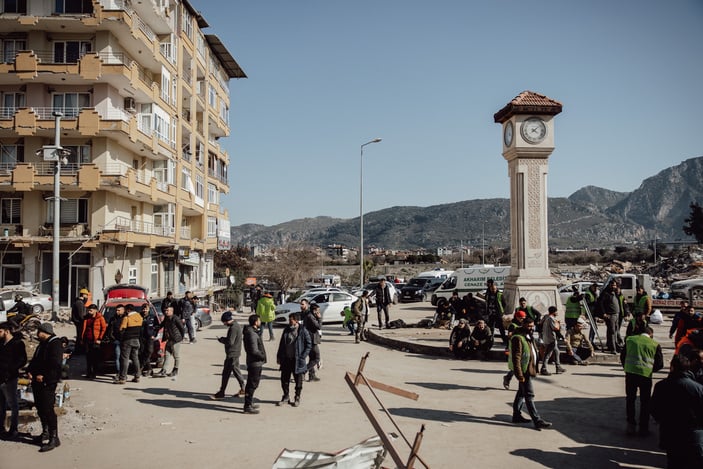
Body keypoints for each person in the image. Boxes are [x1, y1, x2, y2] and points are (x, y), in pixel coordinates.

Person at [650, 354, 703, 469]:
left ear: (672, 367)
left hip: (670, 433)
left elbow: (654, 409)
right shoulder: (698, 388)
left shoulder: (661, 386)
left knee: (674, 462)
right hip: (693, 435)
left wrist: (662, 420)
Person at [509, 317, 552, 430]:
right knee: (529, 395)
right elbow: (516, 358)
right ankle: (537, 420)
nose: (531, 328)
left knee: (521, 393)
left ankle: (516, 416)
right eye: (528, 326)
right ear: (523, 325)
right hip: (524, 371)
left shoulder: (528, 336)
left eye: (532, 326)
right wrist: (519, 375)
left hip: (530, 369)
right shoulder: (518, 338)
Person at [620, 326, 664, 436]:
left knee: (630, 399)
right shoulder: (655, 344)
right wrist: (650, 369)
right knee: (645, 402)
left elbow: (622, 356)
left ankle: (631, 425)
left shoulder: (630, 340)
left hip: (630, 374)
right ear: (651, 334)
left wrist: (627, 367)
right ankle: (643, 428)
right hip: (646, 376)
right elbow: (659, 364)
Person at [27, 322, 63, 452]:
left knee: (48, 409)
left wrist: (45, 376)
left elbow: (55, 364)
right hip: (37, 381)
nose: (37, 334)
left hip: (47, 382)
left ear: (44, 332)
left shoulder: (55, 343)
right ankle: (45, 432)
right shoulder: (43, 344)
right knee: (40, 407)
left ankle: (54, 437)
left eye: (38, 332)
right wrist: (30, 371)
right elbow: (36, 360)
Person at [276, 313, 312, 407]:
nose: (289, 321)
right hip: (286, 359)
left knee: (298, 381)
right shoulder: (286, 329)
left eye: (291, 320)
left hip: (298, 360)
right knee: (284, 380)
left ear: (296, 320)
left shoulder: (302, 330)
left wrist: (303, 356)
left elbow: (309, 344)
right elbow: (282, 344)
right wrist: (279, 356)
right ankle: (286, 396)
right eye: (289, 319)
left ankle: (297, 397)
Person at [0, 321, 27, 441]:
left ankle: (13, 429)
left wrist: (10, 370)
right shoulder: (1, 343)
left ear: (7, 331)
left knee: (13, 404)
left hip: (9, 379)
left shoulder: (17, 344)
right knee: (1, 405)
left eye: (0, 331)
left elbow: (22, 360)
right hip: (0, 378)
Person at [212, 311, 245, 400]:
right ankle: (223, 391)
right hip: (232, 353)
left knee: (233, 372)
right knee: (228, 373)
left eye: (224, 322)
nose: (224, 324)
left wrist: (222, 340)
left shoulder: (234, 328)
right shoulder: (235, 326)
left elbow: (230, 342)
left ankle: (243, 388)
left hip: (233, 354)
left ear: (227, 320)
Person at [242, 314, 266, 414]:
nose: (260, 322)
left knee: (252, 384)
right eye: (259, 320)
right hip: (254, 363)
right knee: (252, 384)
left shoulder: (252, 332)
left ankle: (249, 403)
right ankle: (247, 406)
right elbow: (254, 350)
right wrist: (262, 356)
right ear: (256, 322)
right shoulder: (251, 334)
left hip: (255, 362)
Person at [115, 304, 143, 384]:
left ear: (128, 310)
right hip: (136, 340)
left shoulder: (126, 318)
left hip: (127, 341)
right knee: (135, 358)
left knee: (125, 359)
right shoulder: (140, 317)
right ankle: (137, 376)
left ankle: (122, 378)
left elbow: (121, 330)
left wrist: (120, 337)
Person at [156, 306, 185, 379]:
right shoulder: (166, 318)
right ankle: (164, 370)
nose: (166, 312)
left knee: (176, 355)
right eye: (165, 310)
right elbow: (161, 325)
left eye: (167, 310)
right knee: (167, 354)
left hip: (176, 339)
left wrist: (181, 337)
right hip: (169, 339)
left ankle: (175, 370)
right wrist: (154, 328)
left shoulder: (175, 318)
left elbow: (182, 328)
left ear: (172, 311)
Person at [81, 304, 107, 379]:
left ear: (95, 310)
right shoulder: (86, 318)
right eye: (88, 310)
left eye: (91, 310)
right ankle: (89, 372)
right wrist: (82, 339)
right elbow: (83, 329)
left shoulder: (100, 318)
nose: (89, 312)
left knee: (95, 358)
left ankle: (94, 373)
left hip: (95, 340)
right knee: (88, 357)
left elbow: (104, 328)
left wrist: (99, 339)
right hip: (87, 339)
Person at [598, 281, 624, 354]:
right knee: (612, 331)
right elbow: (601, 303)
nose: (613, 286)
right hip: (610, 315)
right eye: (612, 285)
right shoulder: (606, 293)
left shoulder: (615, 293)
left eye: (615, 285)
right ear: (609, 285)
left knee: (616, 331)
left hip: (617, 315)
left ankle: (614, 346)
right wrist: (604, 313)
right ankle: (613, 349)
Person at [503, 310, 526, 389]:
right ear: (517, 317)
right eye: (521, 318)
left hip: (523, 347)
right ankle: (507, 378)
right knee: (515, 366)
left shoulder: (524, 324)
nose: (522, 319)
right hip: (514, 347)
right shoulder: (513, 325)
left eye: (523, 318)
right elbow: (509, 335)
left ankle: (522, 385)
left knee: (523, 366)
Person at [541, 306, 566, 375]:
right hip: (551, 339)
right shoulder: (551, 319)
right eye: (556, 311)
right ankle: (543, 369)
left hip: (547, 338)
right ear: (554, 312)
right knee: (547, 354)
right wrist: (562, 337)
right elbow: (555, 329)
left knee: (557, 352)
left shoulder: (546, 317)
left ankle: (558, 367)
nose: (557, 313)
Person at [484, 280, 507, 345]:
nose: (493, 290)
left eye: (494, 289)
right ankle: (491, 340)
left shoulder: (499, 294)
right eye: (492, 289)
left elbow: (504, 304)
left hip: (498, 313)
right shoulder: (488, 294)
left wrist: (501, 311)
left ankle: (504, 340)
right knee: (491, 328)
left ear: (496, 288)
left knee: (501, 328)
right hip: (491, 313)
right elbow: (486, 301)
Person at [106, 304, 126, 379]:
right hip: (116, 340)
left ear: (123, 310)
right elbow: (109, 329)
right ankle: (118, 372)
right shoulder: (113, 319)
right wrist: (112, 338)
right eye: (116, 310)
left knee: (124, 358)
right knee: (117, 357)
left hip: (125, 341)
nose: (117, 312)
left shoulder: (126, 318)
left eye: (119, 310)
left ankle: (123, 373)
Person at [304, 303, 322, 382]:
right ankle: (303, 371)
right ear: (314, 311)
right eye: (318, 310)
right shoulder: (310, 317)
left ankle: (312, 375)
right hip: (311, 340)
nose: (319, 312)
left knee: (312, 358)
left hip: (311, 339)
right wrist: (320, 318)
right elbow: (318, 327)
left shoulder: (310, 316)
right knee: (316, 358)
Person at [139, 304, 157, 377]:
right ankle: (149, 369)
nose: (144, 310)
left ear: (148, 309)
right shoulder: (138, 316)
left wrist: (154, 335)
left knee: (149, 352)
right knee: (142, 353)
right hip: (141, 337)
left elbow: (157, 326)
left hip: (149, 338)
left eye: (146, 309)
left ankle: (141, 367)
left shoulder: (153, 317)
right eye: (143, 309)